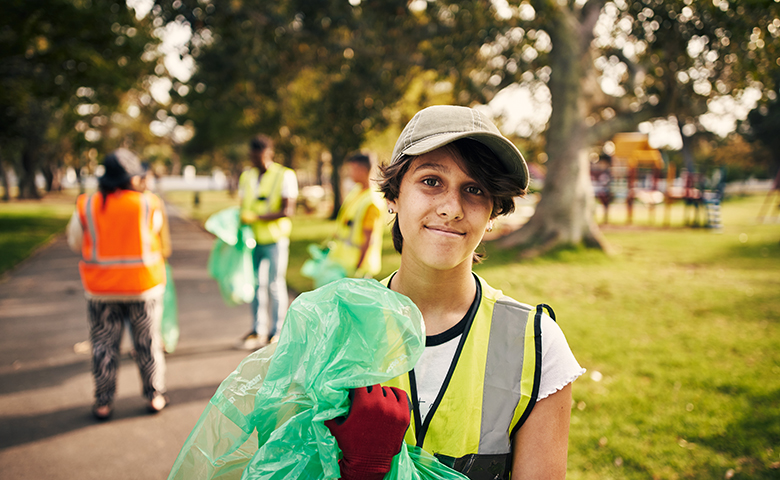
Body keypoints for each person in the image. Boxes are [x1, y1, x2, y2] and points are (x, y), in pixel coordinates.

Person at [325, 105, 585, 480]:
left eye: (474, 189)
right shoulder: (339, 328)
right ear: (394, 196)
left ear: (493, 211)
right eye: (431, 181)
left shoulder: (537, 346)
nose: (451, 208)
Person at [66, 148, 169, 420]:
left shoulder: (87, 205)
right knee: (147, 343)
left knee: (103, 347)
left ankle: (103, 402)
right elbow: (156, 236)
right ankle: (154, 395)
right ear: (132, 178)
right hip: (143, 288)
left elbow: (75, 241)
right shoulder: (148, 203)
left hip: (101, 290)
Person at [237, 134, 298, 350]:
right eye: (253, 157)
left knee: (274, 285)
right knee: (255, 285)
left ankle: (277, 331)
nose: (256, 161)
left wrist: (257, 218)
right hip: (252, 240)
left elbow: (287, 210)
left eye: (259, 156)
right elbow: (243, 204)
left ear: (269, 154)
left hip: (275, 239)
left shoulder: (284, 175)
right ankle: (258, 329)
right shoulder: (247, 176)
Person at [326, 151, 385, 279]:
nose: (349, 173)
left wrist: (358, 267)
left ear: (362, 170)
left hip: (358, 268)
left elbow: (368, 238)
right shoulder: (357, 191)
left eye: (352, 169)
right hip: (345, 262)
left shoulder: (372, 201)